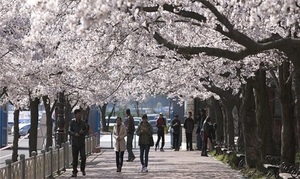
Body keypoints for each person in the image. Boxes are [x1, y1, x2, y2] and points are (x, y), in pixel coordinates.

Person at [69, 109, 88, 177]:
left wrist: (82, 132)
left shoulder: (83, 123)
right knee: (75, 158)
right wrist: (74, 134)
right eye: (78, 114)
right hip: (75, 143)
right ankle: (74, 171)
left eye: (80, 114)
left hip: (81, 142)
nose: (79, 115)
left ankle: (82, 169)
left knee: (83, 157)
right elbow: (69, 131)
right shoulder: (72, 122)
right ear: (75, 115)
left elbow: (86, 130)